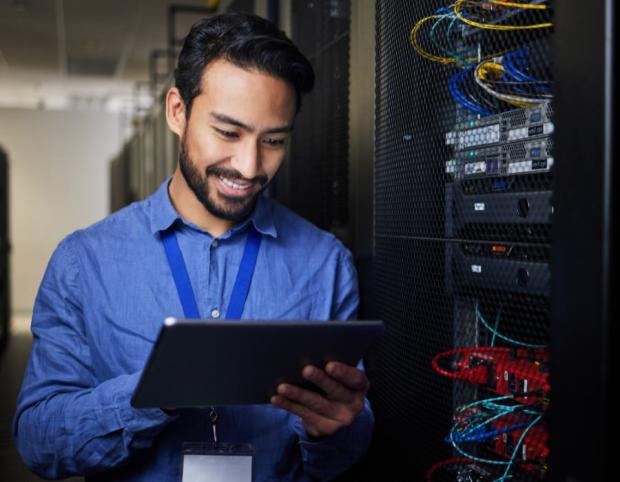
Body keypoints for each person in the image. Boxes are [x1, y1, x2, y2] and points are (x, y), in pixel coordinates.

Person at [13, 12, 374, 482]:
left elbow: (343, 452)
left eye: (274, 140)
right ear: (177, 112)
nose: (249, 166)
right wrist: (153, 391)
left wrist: (338, 429)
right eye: (228, 132)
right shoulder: (84, 262)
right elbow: (39, 442)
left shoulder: (325, 264)